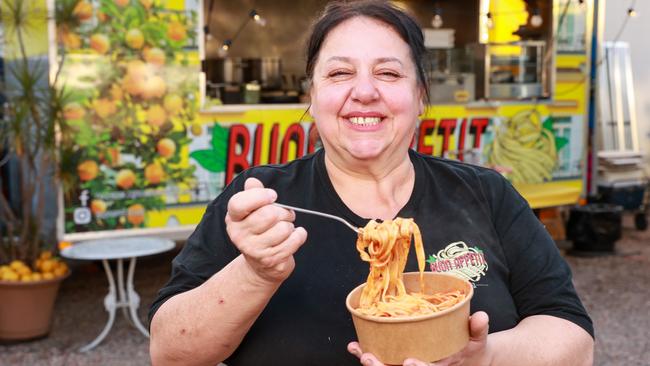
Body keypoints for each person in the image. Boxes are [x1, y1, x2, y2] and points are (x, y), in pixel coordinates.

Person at [149, 1, 594, 365]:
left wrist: (483, 357)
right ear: (313, 96)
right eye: (340, 73)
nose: (364, 91)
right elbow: (170, 353)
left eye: (388, 73)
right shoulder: (261, 201)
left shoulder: (484, 194)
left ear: (421, 97)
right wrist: (255, 271)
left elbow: (574, 339)